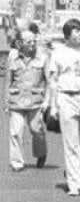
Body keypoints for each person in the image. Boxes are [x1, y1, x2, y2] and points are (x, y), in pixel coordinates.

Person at [45, 18, 80, 196]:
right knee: (71, 142)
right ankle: (75, 183)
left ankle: (75, 171)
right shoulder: (58, 53)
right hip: (66, 97)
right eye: (76, 31)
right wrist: (54, 105)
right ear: (67, 35)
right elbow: (53, 81)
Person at [8, 28, 48, 171]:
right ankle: (17, 162)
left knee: (36, 130)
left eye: (34, 41)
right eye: (28, 41)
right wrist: (6, 102)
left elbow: (49, 81)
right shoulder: (12, 57)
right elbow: (8, 81)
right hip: (16, 100)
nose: (32, 44)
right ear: (20, 43)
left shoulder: (42, 57)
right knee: (16, 131)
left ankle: (41, 153)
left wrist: (47, 100)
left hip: (36, 100)